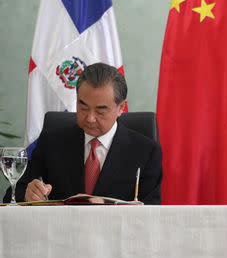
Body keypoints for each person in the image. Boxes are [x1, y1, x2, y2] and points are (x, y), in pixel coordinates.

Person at [3, 62, 162, 204]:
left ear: (121, 108)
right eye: (83, 107)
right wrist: (28, 194)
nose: (90, 118)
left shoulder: (146, 151)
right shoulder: (52, 142)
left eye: (100, 111)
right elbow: (12, 194)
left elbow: (151, 213)